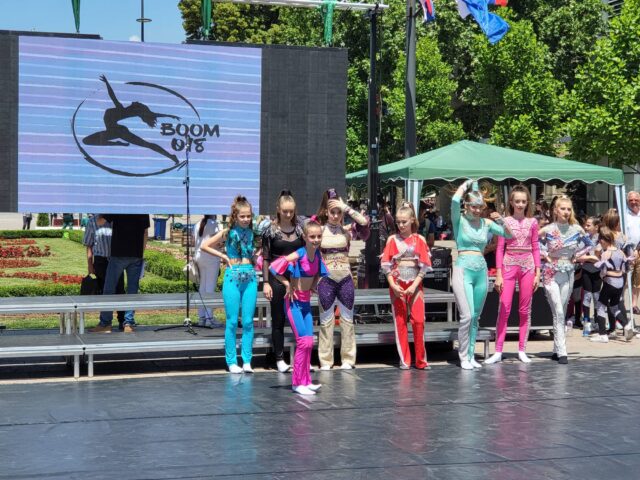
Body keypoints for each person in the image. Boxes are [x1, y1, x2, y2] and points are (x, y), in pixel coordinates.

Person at [451, 180, 512, 370]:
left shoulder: (486, 223)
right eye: (473, 206)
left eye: (480, 207)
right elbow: (454, 201)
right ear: (466, 205)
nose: (477, 210)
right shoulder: (459, 220)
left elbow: (509, 235)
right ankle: (463, 355)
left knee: (476, 316)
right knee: (467, 316)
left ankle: (470, 355)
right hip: (463, 269)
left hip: (481, 270)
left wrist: (501, 219)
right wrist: (465, 186)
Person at [270, 219, 328, 395]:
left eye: (318, 236)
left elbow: (319, 272)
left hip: (306, 303)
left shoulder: (317, 255)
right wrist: (287, 284)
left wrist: (313, 285)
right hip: (294, 303)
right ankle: (297, 383)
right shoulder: (299, 254)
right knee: (303, 342)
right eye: (312, 237)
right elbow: (273, 268)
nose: (316, 240)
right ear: (304, 237)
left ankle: (306, 381)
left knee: (309, 342)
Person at [200, 196, 257, 374]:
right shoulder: (228, 232)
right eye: (242, 216)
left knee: (248, 322)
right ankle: (232, 361)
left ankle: (247, 360)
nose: (246, 219)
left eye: (248, 216)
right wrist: (224, 256)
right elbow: (205, 245)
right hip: (232, 278)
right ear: (235, 216)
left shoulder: (253, 232)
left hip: (250, 278)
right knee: (232, 321)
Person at [486, 186, 540, 365]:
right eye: (517, 201)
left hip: (528, 266)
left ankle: (522, 349)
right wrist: (499, 274)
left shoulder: (533, 222)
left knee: (525, 310)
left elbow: (536, 247)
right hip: (508, 265)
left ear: (527, 203)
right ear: (511, 202)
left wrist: (538, 272)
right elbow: (500, 248)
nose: (520, 204)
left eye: (523, 201)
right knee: (504, 308)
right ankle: (498, 350)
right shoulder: (505, 222)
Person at [316, 188, 369, 370]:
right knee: (326, 322)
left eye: (339, 212)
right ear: (326, 212)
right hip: (326, 281)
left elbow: (364, 222)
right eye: (333, 212)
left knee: (347, 321)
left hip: (345, 279)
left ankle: (348, 359)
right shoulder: (319, 231)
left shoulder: (348, 230)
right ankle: (325, 360)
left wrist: (345, 207)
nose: (336, 215)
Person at [539, 196, 593, 364]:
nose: (566, 212)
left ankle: (556, 348)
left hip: (568, 272)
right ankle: (562, 350)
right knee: (559, 310)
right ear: (556, 210)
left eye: (569, 209)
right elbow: (533, 242)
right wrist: (544, 254)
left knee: (560, 310)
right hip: (551, 273)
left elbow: (590, 244)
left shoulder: (577, 229)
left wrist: (577, 256)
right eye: (563, 208)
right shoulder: (547, 229)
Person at [381, 202, 432, 370]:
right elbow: (386, 265)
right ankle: (405, 360)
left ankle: (421, 360)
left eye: (404, 221)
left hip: (415, 284)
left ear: (412, 220)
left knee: (418, 321)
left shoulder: (420, 239)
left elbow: (424, 266)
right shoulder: (392, 240)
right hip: (397, 285)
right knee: (400, 322)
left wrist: (414, 285)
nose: (401, 225)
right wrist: (393, 285)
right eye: (398, 222)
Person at [261, 190, 305, 373]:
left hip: (296, 277)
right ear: (278, 209)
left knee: (299, 318)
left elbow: (305, 253)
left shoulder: (300, 229)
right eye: (285, 211)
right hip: (276, 277)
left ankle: (302, 358)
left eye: (291, 211)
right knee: (278, 318)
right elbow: (265, 258)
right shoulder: (270, 231)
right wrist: (266, 282)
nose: (288, 214)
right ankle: (279, 358)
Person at [90, 214, 150, 333]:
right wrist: (141, 253)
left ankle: (105, 323)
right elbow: (145, 233)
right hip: (136, 255)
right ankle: (128, 323)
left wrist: (104, 211)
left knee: (109, 290)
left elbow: (99, 222)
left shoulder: (118, 208)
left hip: (118, 255)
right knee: (132, 291)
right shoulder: (142, 209)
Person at [589, 226, 635, 343]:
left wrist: (602, 276)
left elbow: (603, 272)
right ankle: (626, 325)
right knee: (614, 307)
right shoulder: (620, 252)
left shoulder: (606, 254)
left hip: (609, 283)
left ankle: (602, 334)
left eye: (600, 240)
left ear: (603, 240)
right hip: (619, 283)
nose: (600, 243)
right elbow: (625, 269)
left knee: (600, 306)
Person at [82, 214, 126, 330]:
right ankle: (106, 323)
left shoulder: (117, 219)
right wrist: (90, 265)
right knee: (104, 292)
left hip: (116, 260)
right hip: (101, 261)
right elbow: (89, 245)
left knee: (120, 291)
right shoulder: (92, 221)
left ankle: (123, 321)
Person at [193, 215, 222, 327]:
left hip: (199, 256)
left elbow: (194, 241)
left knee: (202, 286)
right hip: (211, 257)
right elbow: (217, 242)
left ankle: (202, 317)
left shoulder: (197, 224)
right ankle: (209, 318)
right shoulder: (214, 224)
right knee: (210, 287)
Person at [579, 216, 602, 336]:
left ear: (596, 227)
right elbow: (579, 254)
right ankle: (586, 322)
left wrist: (588, 257)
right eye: (585, 225)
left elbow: (600, 258)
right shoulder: (584, 238)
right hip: (586, 270)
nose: (586, 227)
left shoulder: (602, 239)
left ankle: (598, 321)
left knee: (597, 296)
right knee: (587, 296)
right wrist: (590, 258)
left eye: (588, 225)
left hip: (598, 271)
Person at [623, 191, 640, 315]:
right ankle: (621, 304)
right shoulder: (624, 215)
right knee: (624, 280)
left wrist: (638, 249)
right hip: (627, 252)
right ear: (627, 201)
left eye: (636, 199)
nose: (634, 202)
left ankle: (634, 305)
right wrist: (629, 251)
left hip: (639, 252)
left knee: (637, 281)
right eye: (631, 200)